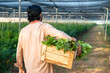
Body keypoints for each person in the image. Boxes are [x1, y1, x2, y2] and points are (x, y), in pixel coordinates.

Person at [14, 5, 81, 73]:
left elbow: (19, 51)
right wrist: (73, 41)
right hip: (44, 69)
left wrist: (20, 67)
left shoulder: (23, 31)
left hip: (30, 69)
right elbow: (60, 35)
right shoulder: (44, 27)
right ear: (40, 15)